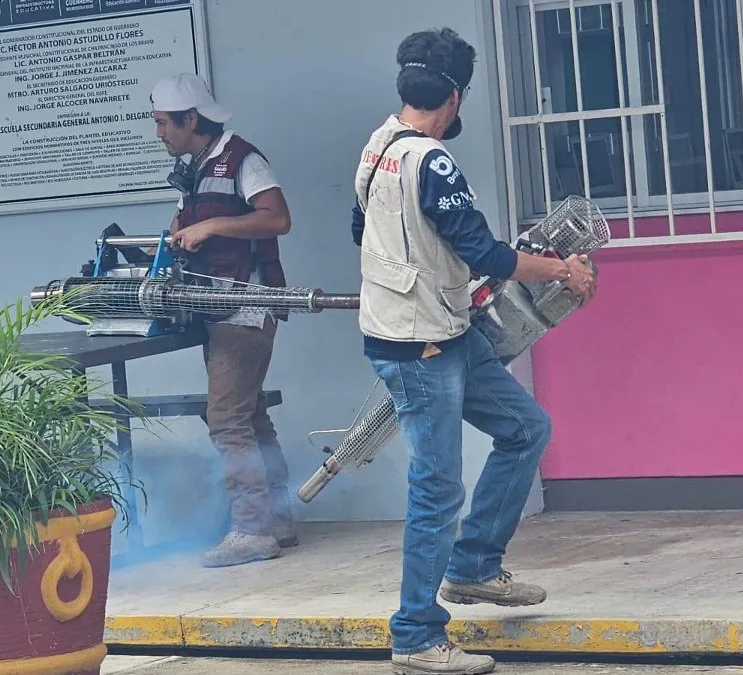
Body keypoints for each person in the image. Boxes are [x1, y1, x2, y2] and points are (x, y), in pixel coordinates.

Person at [350, 28, 596, 674]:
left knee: (524, 428)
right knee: (436, 488)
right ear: (455, 97)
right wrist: (561, 269)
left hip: (440, 331)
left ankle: (474, 566)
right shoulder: (431, 162)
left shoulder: (376, 149)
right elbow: (485, 254)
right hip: (419, 347)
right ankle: (415, 634)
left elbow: (365, 230)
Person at [149, 73, 297, 568]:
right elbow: (183, 222)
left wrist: (211, 225)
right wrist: (177, 232)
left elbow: (277, 218)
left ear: (191, 119)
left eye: (163, 123)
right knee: (250, 413)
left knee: (227, 419)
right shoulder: (194, 169)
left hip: (245, 304)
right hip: (216, 305)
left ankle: (251, 529)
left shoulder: (244, 160)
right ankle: (276, 517)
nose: (159, 133)